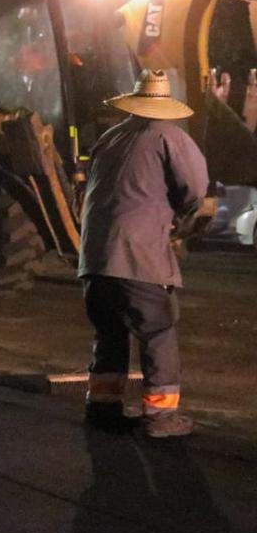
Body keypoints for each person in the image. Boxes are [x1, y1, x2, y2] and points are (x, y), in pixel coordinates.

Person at [79, 69, 209, 438]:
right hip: (137, 255)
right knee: (158, 329)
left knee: (110, 330)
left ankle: (102, 406)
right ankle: (162, 417)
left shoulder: (110, 137)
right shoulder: (169, 136)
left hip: (95, 256)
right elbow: (194, 189)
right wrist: (181, 217)